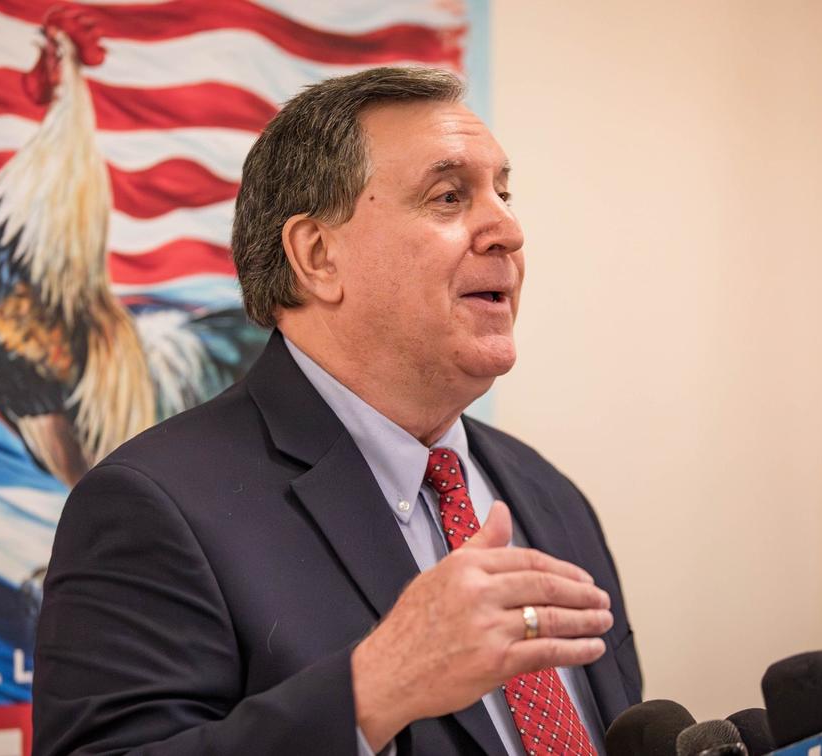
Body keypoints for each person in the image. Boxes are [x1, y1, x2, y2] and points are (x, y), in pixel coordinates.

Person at [32, 66, 641, 756]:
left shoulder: (549, 496)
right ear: (318, 256)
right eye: (448, 197)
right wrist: (376, 688)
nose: (507, 227)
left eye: (502, 192)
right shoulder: (153, 508)